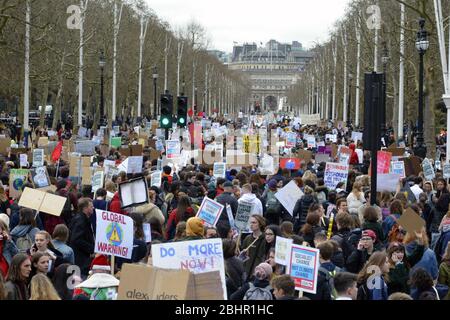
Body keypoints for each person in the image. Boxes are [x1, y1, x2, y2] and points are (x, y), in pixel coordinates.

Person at [68, 198, 95, 277]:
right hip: (80, 258)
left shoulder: (81, 218)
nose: (93, 208)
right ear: (85, 208)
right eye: (91, 206)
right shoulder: (81, 220)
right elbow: (76, 239)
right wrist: (92, 248)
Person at [240, 215, 267, 281]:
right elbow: (242, 257)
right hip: (247, 270)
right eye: (250, 222)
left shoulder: (265, 239)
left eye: (254, 223)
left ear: (260, 224)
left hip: (258, 271)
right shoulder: (248, 238)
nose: (251, 225)